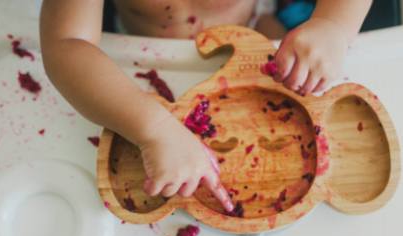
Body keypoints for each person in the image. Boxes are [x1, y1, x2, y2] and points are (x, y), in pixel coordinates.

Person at [40, 0, 372, 213]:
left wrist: (333, 26)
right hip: (140, 54)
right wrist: (154, 129)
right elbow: (67, 45)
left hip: (255, 27)